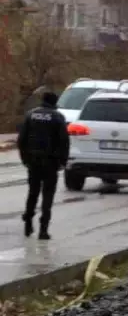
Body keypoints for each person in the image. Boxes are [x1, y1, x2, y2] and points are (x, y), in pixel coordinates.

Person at [17, 91, 69, 240]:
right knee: (47, 195)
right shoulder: (58, 117)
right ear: (55, 103)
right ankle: (43, 230)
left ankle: (28, 219)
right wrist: (62, 162)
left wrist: (24, 159)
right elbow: (64, 142)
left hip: (33, 160)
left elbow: (21, 140)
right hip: (50, 163)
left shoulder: (30, 115)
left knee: (33, 192)